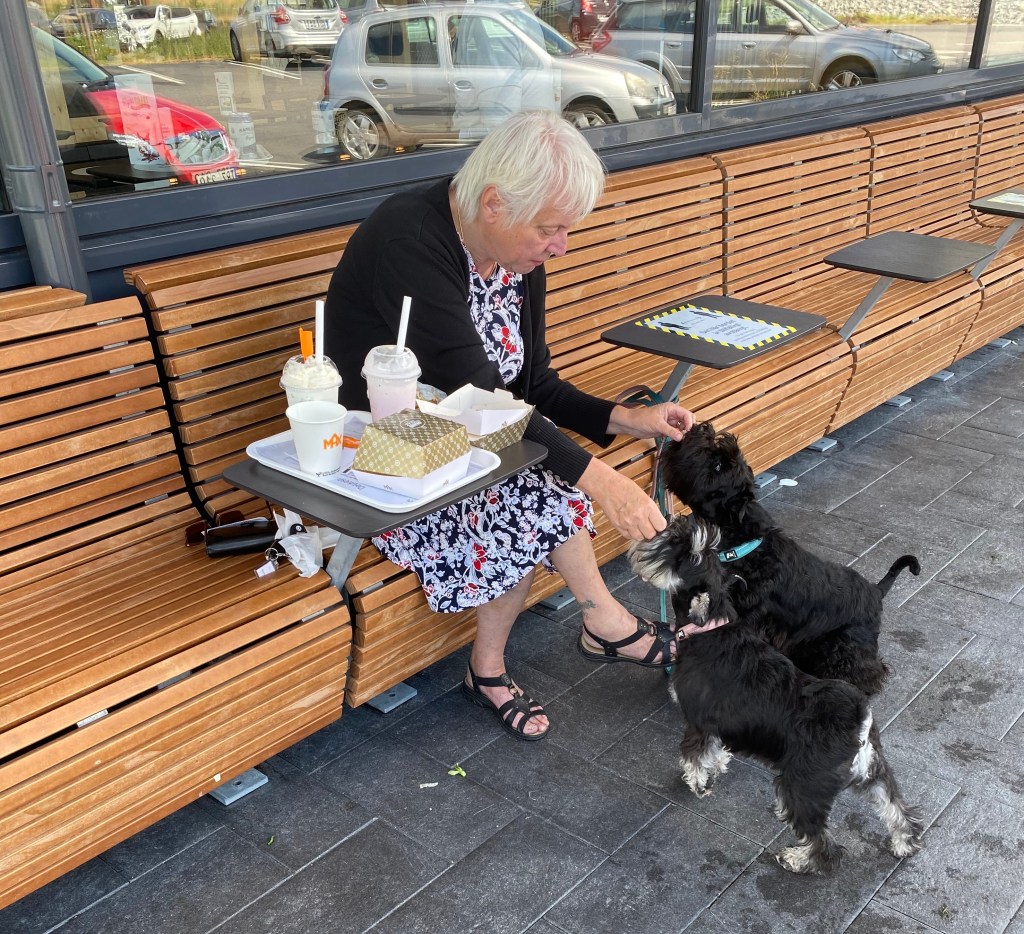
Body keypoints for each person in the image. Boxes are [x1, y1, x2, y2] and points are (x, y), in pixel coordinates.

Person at [324, 110, 695, 741]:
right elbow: (483, 398)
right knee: (538, 485)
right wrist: (603, 482)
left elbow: (531, 386)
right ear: (494, 203)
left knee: (533, 474)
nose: (561, 246)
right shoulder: (410, 243)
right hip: (379, 451)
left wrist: (625, 417)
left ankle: (559, 639)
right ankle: (575, 633)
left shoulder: (513, 257)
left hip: (464, 437)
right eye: (551, 229)